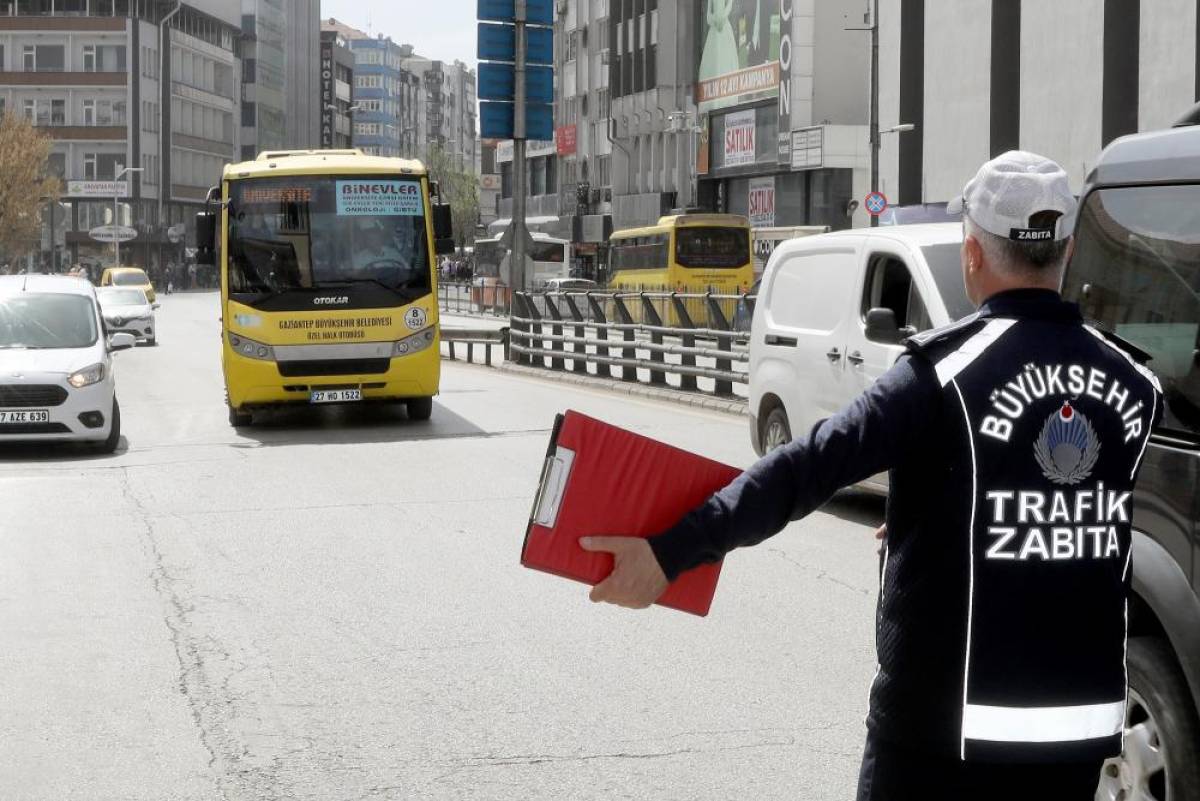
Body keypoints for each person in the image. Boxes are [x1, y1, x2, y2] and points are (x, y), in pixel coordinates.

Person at [581, 151, 1164, 800]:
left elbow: (804, 469)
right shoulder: (1136, 383)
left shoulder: (941, 375)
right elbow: (1057, 501)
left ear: (972, 252)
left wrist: (670, 552)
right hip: (1075, 742)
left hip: (939, 742)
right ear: (1070, 250)